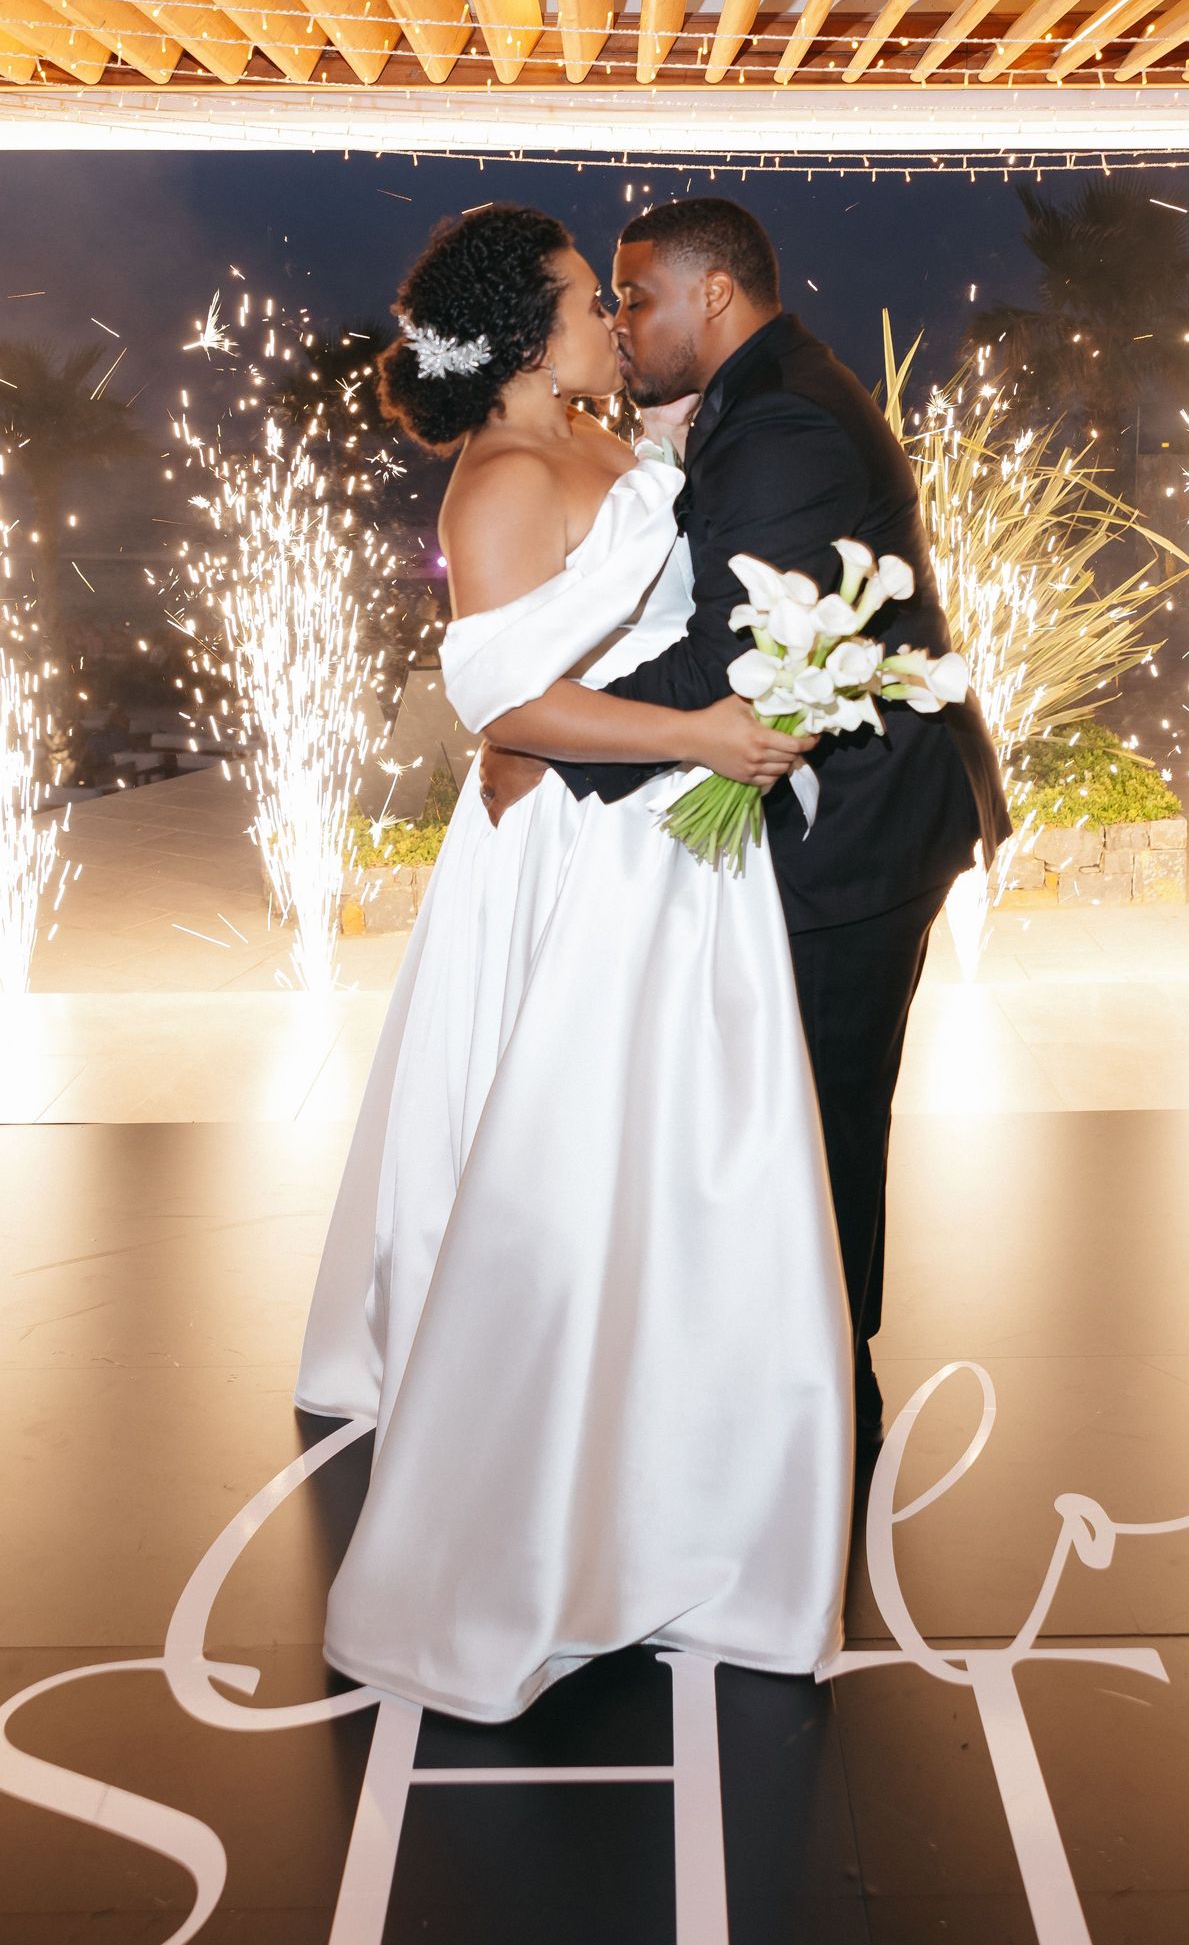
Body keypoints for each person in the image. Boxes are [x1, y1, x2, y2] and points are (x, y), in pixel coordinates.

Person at [296, 203, 854, 1727]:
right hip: (585, 859)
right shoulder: (502, 478)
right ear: (530, 330)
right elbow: (509, 710)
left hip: (676, 848)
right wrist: (697, 736)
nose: (613, 317)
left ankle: (700, 1467)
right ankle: (546, 1504)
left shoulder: (623, 441)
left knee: (693, 1168)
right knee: (571, 1173)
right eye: (584, 301)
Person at [482, 197, 1010, 1454]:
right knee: (784, 1113)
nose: (619, 322)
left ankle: (830, 1398)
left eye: (637, 297)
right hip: (822, 818)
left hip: (857, 839)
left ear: (712, 296)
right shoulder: (756, 398)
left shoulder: (781, 422)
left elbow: (735, 671)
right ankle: (782, 1372)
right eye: (603, 302)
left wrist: (546, 737)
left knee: (824, 1117)